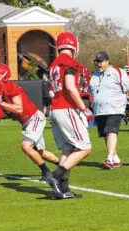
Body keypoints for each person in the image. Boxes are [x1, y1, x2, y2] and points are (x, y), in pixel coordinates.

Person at [0, 63, 59, 182]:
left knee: (26, 146)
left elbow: (19, 108)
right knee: (39, 152)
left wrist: (1, 104)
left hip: (33, 118)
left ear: (3, 77)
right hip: (27, 121)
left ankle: (46, 172)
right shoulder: (1, 89)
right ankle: (63, 165)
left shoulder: (10, 87)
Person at [47, 31, 92, 199]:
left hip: (55, 109)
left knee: (68, 150)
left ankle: (63, 189)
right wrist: (83, 108)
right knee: (85, 148)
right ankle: (56, 176)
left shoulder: (54, 64)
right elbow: (70, 87)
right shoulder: (69, 62)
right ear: (73, 45)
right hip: (67, 108)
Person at [88, 51, 129, 169]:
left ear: (107, 61)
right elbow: (90, 91)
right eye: (96, 62)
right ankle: (116, 158)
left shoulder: (118, 72)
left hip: (115, 108)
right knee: (106, 134)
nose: (98, 64)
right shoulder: (94, 75)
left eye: (100, 62)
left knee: (111, 131)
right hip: (99, 110)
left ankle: (110, 158)